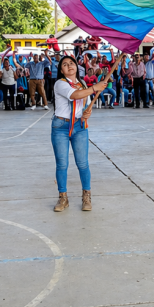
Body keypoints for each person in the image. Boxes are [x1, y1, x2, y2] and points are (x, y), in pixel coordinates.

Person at [51, 55, 109, 212]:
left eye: (72, 63)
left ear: (76, 66)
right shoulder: (60, 84)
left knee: (83, 163)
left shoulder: (82, 83)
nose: (69, 66)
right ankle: (63, 198)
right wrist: (94, 88)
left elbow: (83, 104)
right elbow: (74, 95)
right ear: (61, 70)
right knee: (62, 164)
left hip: (79, 126)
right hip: (61, 126)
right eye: (65, 64)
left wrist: (86, 113)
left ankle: (86, 196)